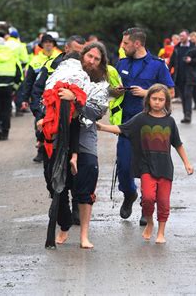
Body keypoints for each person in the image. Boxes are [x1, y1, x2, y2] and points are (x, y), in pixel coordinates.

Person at [97, 84, 193, 243]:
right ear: (148, 100)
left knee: (163, 202)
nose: (157, 102)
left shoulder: (170, 121)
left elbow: (178, 143)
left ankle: (161, 232)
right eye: (154, 99)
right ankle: (149, 222)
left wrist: (187, 163)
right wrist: (102, 127)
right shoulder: (141, 118)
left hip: (165, 168)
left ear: (166, 102)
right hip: (146, 166)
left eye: (161, 99)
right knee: (148, 198)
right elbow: (122, 128)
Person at [38, 42, 110, 248]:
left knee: (85, 188)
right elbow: (46, 100)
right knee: (56, 184)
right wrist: (44, 116)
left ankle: (84, 235)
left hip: (85, 140)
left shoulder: (101, 85)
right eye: (90, 57)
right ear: (82, 56)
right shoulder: (63, 73)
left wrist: (76, 101)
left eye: (97, 59)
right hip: (59, 138)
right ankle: (64, 225)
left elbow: (96, 112)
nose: (92, 62)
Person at [115, 27, 174, 224]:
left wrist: (146, 93)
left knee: (148, 169)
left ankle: (145, 206)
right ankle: (129, 193)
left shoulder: (157, 65)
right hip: (127, 122)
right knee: (124, 166)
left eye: (126, 43)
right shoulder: (121, 63)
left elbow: (171, 93)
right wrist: (114, 91)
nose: (122, 47)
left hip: (151, 126)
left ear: (137, 43)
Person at [17, 34, 61, 162]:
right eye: (45, 42)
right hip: (40, 98)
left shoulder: (60, 58)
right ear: (42, 45)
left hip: (56, 97)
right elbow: (28, 82)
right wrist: (25, 99)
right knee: (40, 123)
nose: (48, 44)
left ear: (53, 44)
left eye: (50, 42)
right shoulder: (35, 61)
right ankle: (41, 151)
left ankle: (55, 149)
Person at [170, 29, 196, 123]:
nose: (181, 38)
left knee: (188, 95)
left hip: (190, 76)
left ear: (187, 36)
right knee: (183, 96)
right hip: (179, 77)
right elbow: (172, 62)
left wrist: (191, 60)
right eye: (180, 36)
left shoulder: (194, 47)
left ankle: (188, 115)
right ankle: (185, 115)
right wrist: (167, 71)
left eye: (183, 36)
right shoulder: (176, 48)